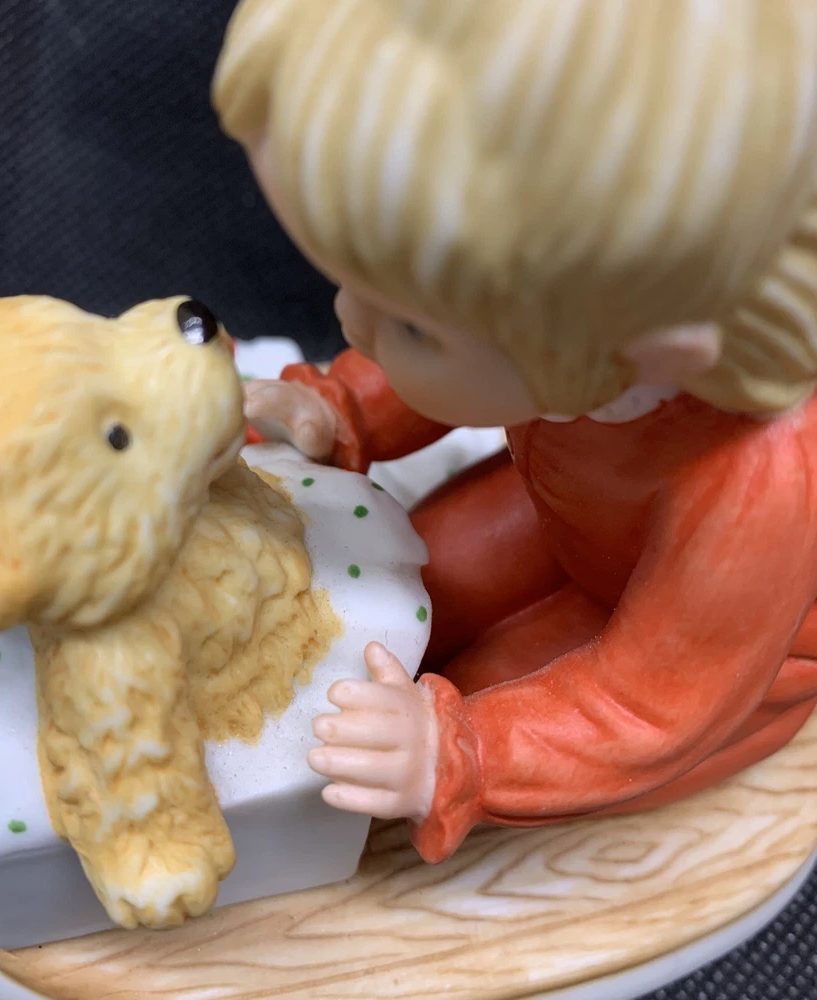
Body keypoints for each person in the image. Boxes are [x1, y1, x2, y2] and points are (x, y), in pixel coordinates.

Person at [211, 0, 817, 863]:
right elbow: (484, 363)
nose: (349, 321)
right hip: (559, 513)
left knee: (474, 690)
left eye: (409, 326)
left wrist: (461, 753)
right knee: (379, 585)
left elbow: (649, 706)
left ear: (642, 350)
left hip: (697, 669)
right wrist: (345, 405)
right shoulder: (574, 346)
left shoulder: (759, 482)